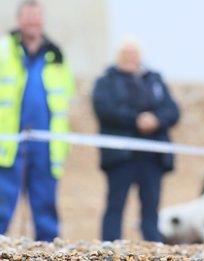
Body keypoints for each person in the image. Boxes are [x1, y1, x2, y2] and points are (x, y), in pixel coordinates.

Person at [0, 0, 74, 241]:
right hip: (9, 142)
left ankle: (48, 249)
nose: (33, 21)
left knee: (45, 204)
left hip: (45, 143)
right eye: (28, 17)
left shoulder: (56, 57)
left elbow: (64, 100)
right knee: (3, 200)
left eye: (37, 17)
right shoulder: (4, 50)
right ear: (19, 20)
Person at [92, 39, 180, 242]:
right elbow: (105, 110)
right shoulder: (106, 81)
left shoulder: (154, 80)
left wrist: (155, 120)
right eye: (126, 54)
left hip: (152, 156)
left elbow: (172, 110)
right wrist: (136, 120)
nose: (131, 58)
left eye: (134, 53)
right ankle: (110, 247)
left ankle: (154, 246)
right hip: (121, 156)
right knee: (116, 205)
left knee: (151, 207)